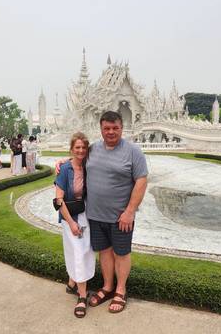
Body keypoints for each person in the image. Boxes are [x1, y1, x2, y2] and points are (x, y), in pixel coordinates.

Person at [57, 111, 148, 313]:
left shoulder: (134, 152)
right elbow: (77, 158)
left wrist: (130, 211)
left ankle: (121, 290)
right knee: (104, 252)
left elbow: (141, 181)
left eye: (115, 128)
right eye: (106, 128)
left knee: (121, 253)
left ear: (121, 128)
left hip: (121, 217)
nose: (111, 132)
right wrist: (63, 162)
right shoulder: (93, 149)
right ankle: (107, 287)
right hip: (95, 216)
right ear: (101, 129)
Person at [54, 132, 95, 318]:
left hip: (85, 214)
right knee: (78, 252)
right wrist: (70, 222)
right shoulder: (64, 170)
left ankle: (72, 283)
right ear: (72, 149)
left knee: (85, 250)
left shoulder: (88, 166)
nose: (80, 150)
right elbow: (58, 200)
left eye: (83, 148)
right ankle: (82, 296)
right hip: (70, 215)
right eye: (77, 147)